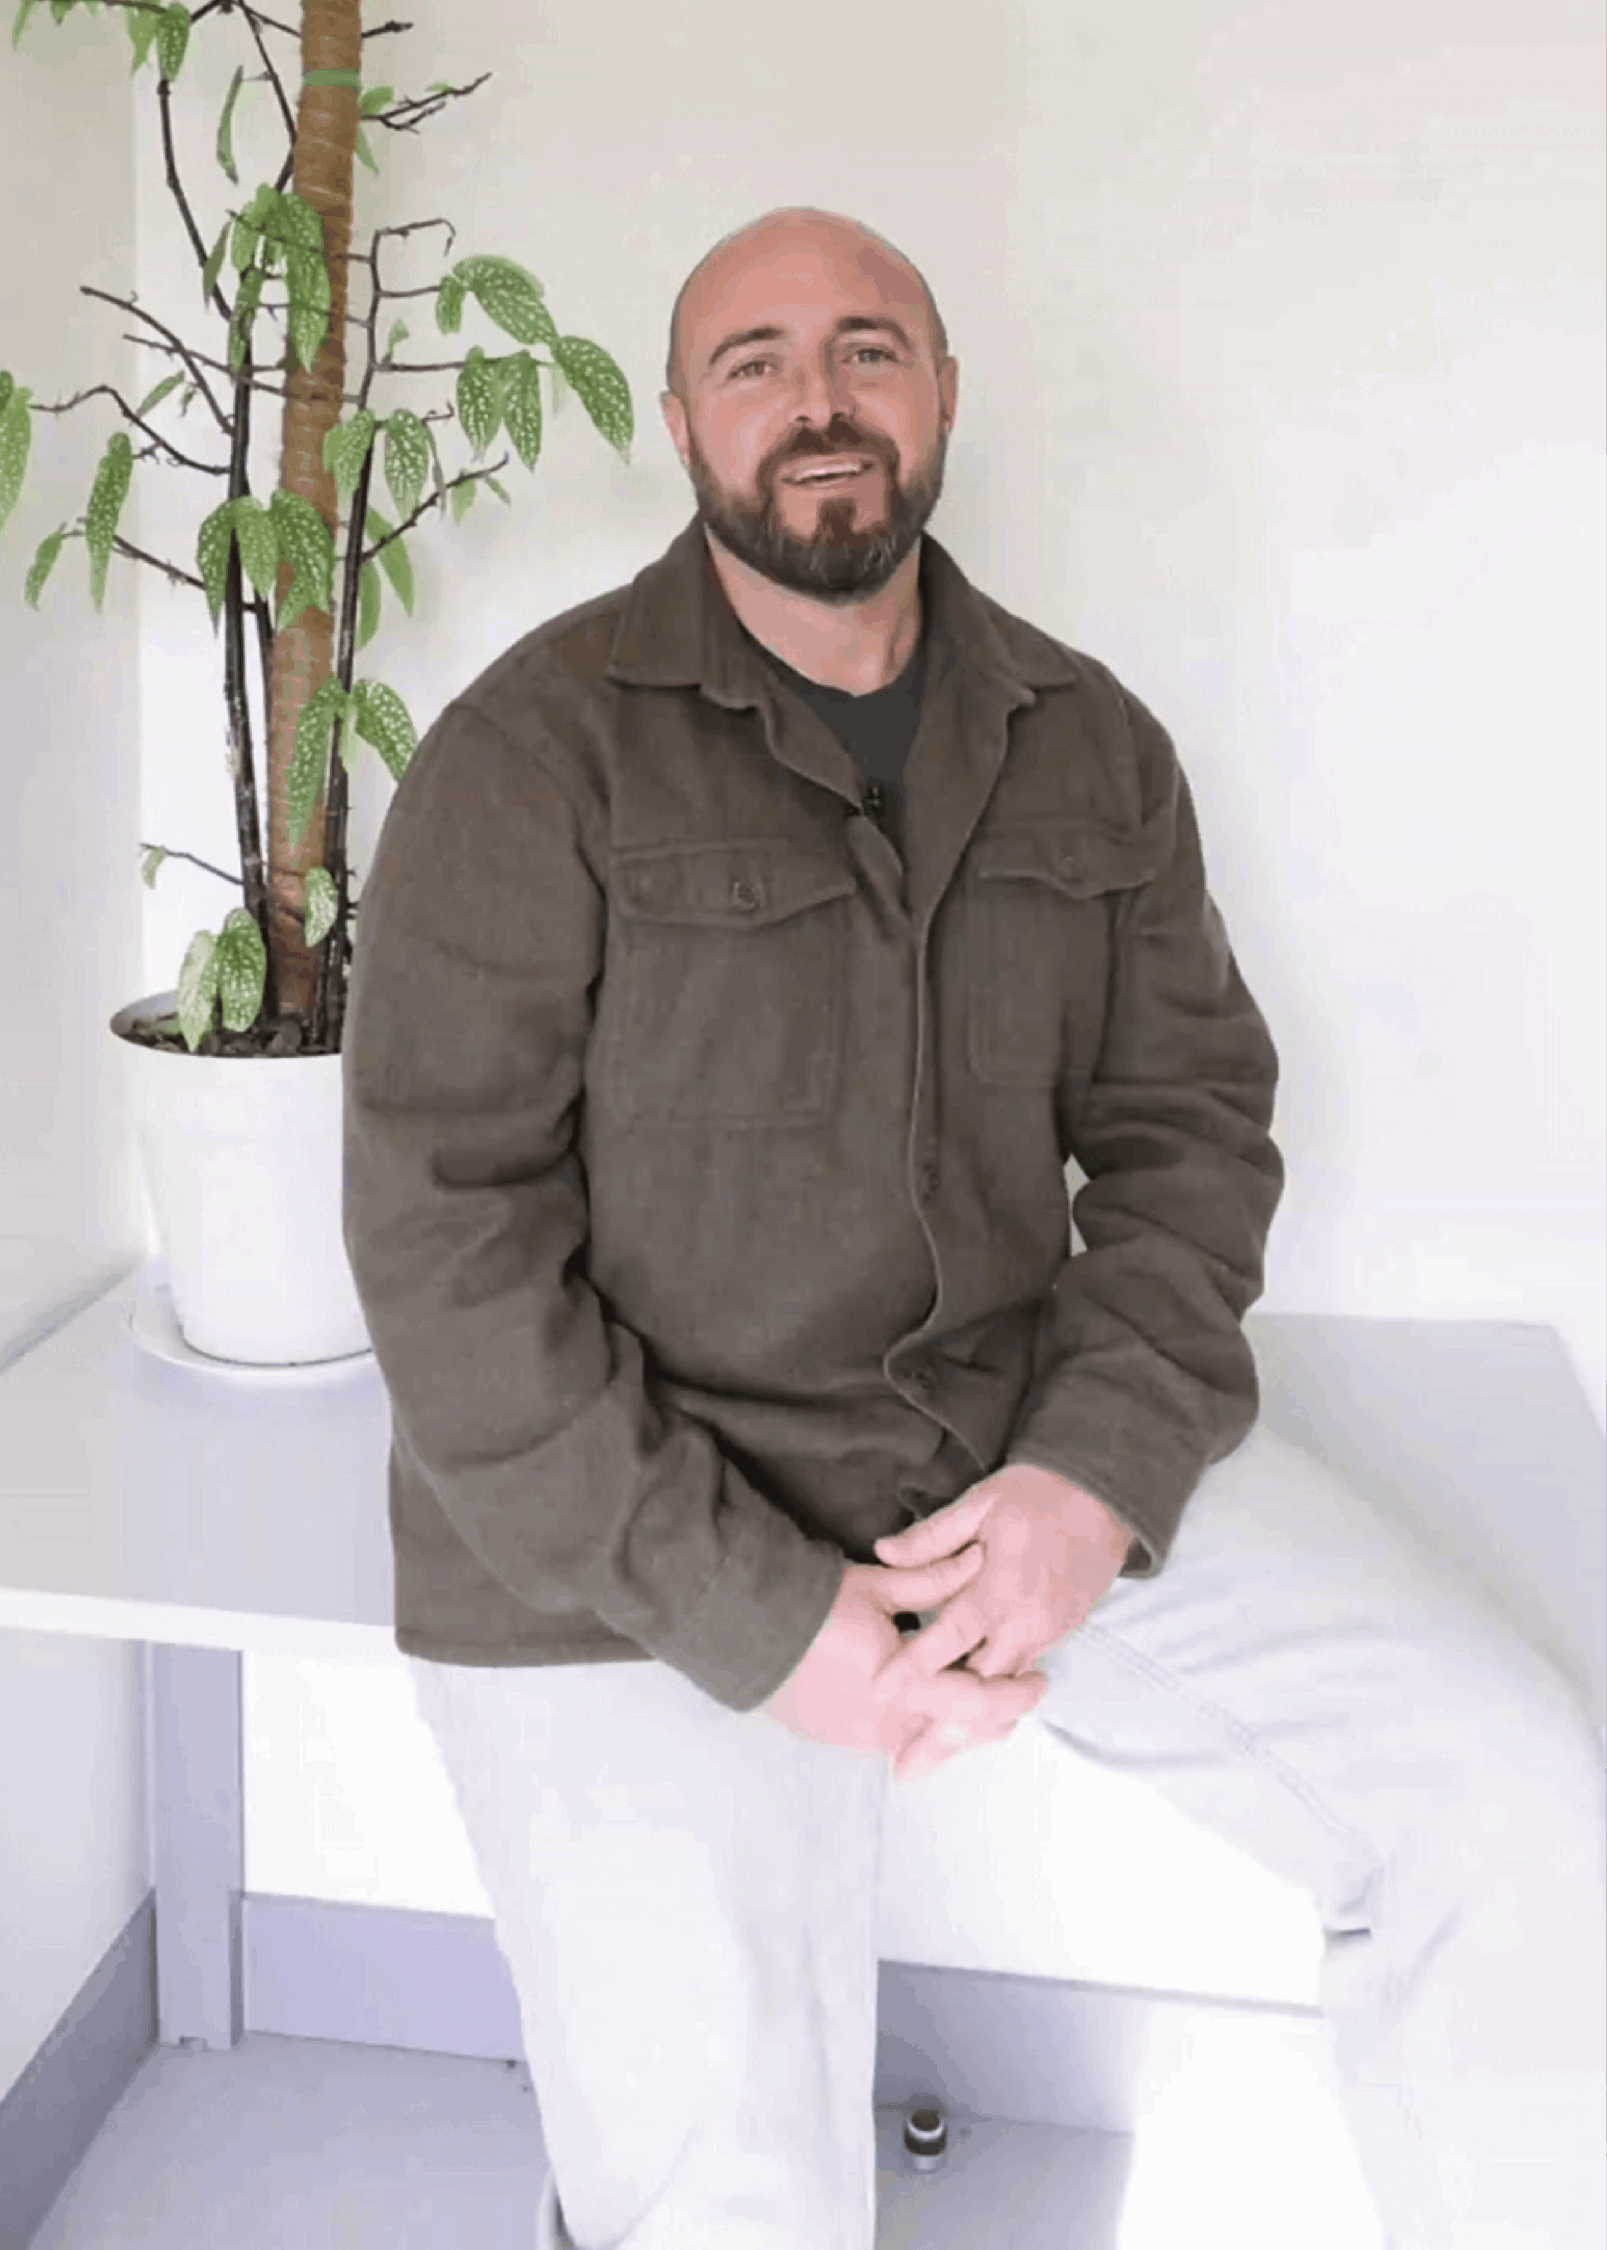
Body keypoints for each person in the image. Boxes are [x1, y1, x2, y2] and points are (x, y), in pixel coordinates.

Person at [341, 207, 1606, 2250]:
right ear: (677, 421)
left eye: (866, 348)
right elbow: (443, 1246)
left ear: (938, 393)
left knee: (1523, 1801)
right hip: (623, 1533)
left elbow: (1189, 1134)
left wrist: (1091, 1481)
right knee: (726, 2201)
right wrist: (761, 1616)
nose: (815, 399)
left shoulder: (1086, 739)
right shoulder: (528, 753)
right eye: (754, 361)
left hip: (1011, 1452)